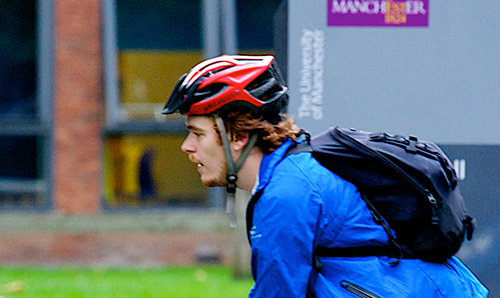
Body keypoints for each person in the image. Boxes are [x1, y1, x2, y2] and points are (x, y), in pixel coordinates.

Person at [162, 55, 488, 297]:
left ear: (237, 136)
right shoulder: (295, 171)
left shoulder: (286, 194)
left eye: (197, 134)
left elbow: (279, 293)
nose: (186, 147)